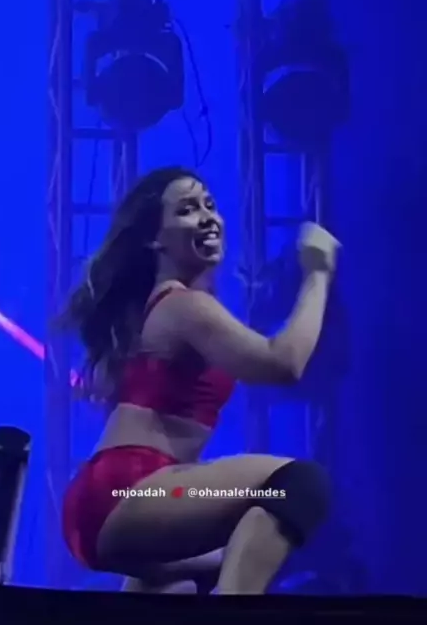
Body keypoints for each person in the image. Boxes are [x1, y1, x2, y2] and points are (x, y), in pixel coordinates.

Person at [61, 166, 340, 595]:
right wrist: (317, 273)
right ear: (156, 239)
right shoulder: (182, 305)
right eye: (187, 210)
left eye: (210, 205)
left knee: (225, 560)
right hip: (130, 490)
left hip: (119, 498)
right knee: (297, 488)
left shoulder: (168, 308)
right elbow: (284, 362)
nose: (208, 217)